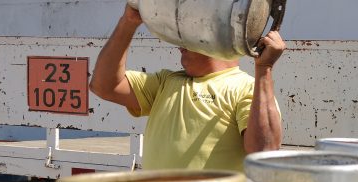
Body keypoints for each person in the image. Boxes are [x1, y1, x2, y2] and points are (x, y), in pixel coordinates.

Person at [89, 5, 284, 172]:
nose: (180, 44)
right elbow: (103, 86)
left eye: (191, 34)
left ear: (216, 39)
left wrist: (264, 69)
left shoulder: (246, 88)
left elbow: (264, 154)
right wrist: (128, 22)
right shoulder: (165, 82)